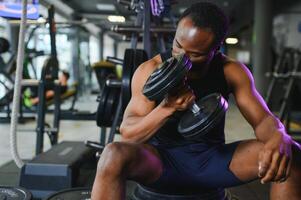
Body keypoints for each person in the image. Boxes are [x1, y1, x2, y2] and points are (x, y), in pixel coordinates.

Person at [91, 2, 301, 200]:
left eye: (195, 55)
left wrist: (278, 135)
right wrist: (166, 108)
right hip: (159, 163)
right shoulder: (150, 70)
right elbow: (128, 132)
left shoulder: (231, 71)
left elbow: (263, 120)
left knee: (290, 152)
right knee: (111, 156)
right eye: (178, 46)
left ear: (216, 48)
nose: (182, 58)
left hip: (212, 161)